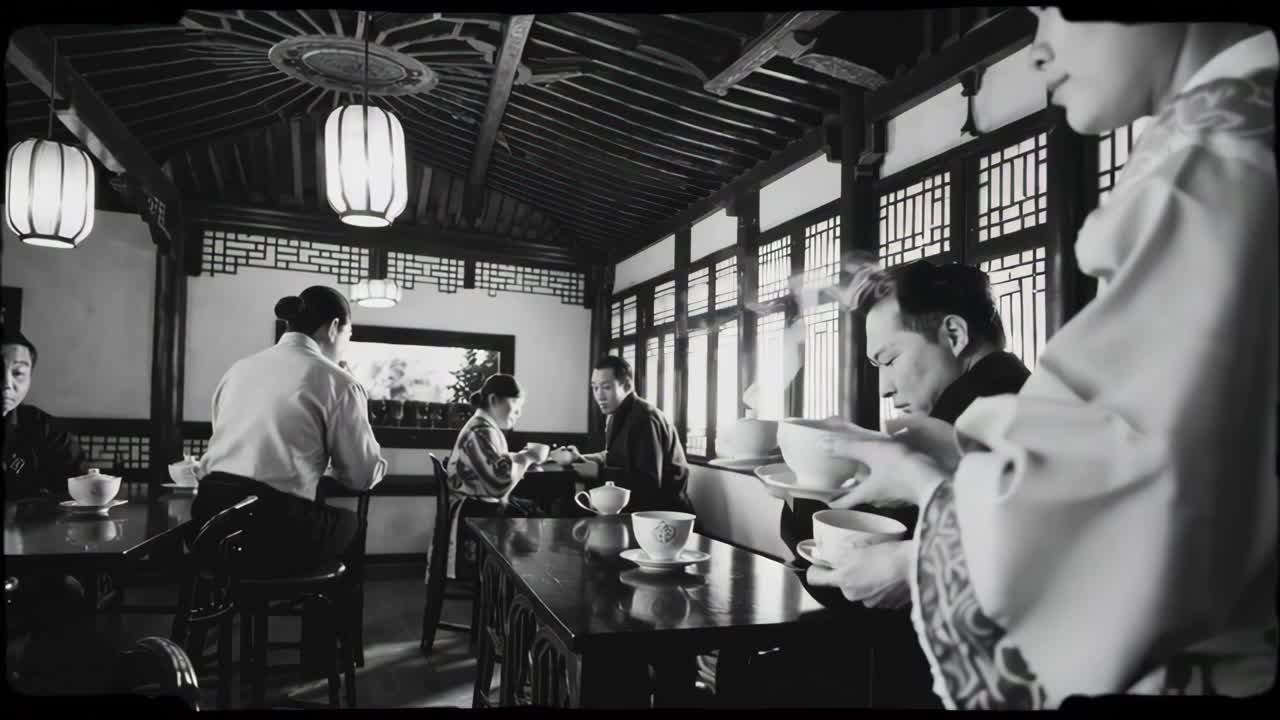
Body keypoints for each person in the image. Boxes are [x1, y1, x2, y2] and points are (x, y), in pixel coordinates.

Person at [809, 13, 1277, 708]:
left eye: (1052, 9)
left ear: (954, 334)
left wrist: (917, 551)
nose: (1038, 48)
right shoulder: (1233, 140)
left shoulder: (1220, 171)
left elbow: (1158, 522)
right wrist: (927, 466)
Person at [751, 261, 1031, 707]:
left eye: (890, 359)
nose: (883, 387)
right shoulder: (1013, 401)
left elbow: (855, 576)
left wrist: (808, 488)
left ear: (954, 334)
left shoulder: (978, 422)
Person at [193, 286, 387, 677]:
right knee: (350, 526)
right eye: (349, 334)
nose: (346, 344)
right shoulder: (336, 380)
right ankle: (324, 659)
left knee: (313, 521)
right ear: (333, 327)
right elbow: (360, 475)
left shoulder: (239, 369)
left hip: (210, 525)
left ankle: (202, 651)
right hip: (273, 529)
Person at [437, 373, 546, 578]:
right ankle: (512, 586)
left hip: (476, 505)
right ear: (494, 400)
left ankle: (510, 587)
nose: (519, 412)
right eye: (515, 403)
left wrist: (519, 457)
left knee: (531, 510)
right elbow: (499, 485)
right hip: (474, 512)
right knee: (535, 517)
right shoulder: (480, 430)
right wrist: (529, 457)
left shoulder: (483, 427)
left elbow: (494, 463)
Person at [560, 355, 694, 514]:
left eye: (606, 387)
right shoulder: (618, 414)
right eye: (595, 388)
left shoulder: (645, 418)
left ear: (627, 385)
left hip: (665, 514)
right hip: (636, 509)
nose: (599, 395)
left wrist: (596, 472)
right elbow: (613, 455)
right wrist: (582, 458)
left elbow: (649, 483)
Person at [3, 331, 87, 499]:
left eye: (18, 373)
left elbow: (81, 489)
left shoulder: (45, 429)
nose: (7, 384)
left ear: (30, 378)